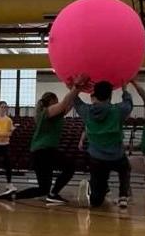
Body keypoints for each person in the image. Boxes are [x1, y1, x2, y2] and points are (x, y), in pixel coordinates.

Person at [10, 75, 88, 204]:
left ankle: (13, 196)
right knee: (69, 167)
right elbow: (64, 103)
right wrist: (76, 87)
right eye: (56, 100)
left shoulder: (55, 114)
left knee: (43, 189)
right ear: (51, 101)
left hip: (41, 153)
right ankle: (54, 193)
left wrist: (76, 90)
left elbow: (69, 103)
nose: (58, 102)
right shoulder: (47, 111)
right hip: (43, 152)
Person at [74, 81, 134, 208]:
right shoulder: (118, 111)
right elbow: (129, 104)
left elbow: (75, 101)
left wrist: (75, 87)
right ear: (110, 95)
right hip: (116, 156)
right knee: (125, 169)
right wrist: (124, 89)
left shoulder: (86, 111)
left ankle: (94, 194)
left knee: (97, 200)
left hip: (96, 158)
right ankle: (123, 195)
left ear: (94, 94)